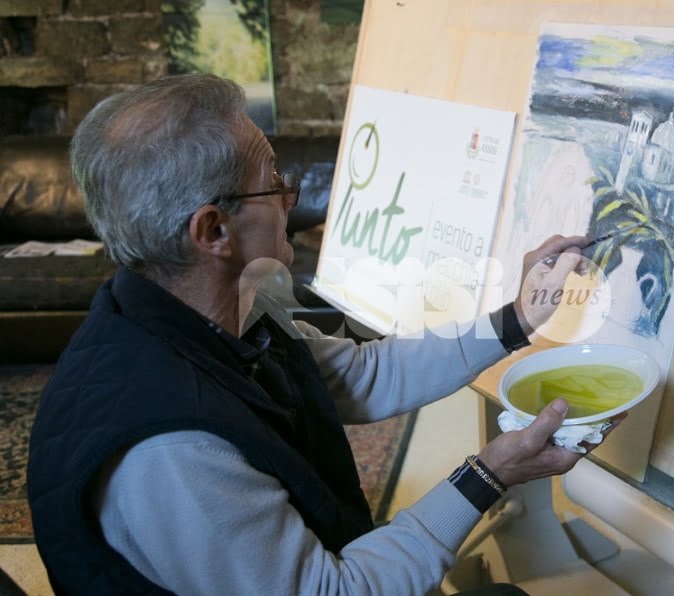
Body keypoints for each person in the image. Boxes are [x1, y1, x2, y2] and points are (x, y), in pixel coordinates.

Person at [27, 74, 625, 595]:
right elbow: (336, 589)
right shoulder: (172, 451)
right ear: (212, 232)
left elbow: (358, 376)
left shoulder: (211, 306)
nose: (291, 196)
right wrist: (487, 476)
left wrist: (517, 318)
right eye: (272, 181)